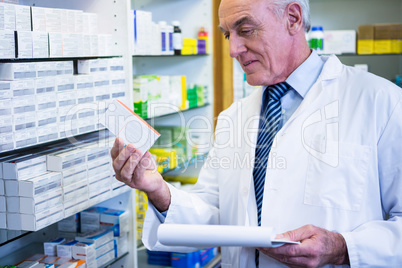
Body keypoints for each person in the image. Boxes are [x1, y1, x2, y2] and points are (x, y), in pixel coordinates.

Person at [111, 0, 402, 267]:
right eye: (227, 34)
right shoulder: (232, 118)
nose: (233, 49)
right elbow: (213, 214)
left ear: (292, 18)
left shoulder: (381, 102)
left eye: (246, 30)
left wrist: (343, 247)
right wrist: (157, 189)